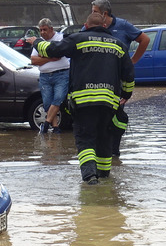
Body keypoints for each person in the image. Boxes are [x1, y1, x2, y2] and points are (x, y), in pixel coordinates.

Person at [34, 11, 135, 185]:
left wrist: (36, 42)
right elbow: (129, 75)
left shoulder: (78, 39)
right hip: (109, 103)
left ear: (86, 25)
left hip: (83, 102)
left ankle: (90, 177)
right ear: (105, 26)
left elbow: (52, 49)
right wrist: (125, 95)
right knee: (104, 138)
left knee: (85, 138)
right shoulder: (119, 45)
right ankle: (104, 177)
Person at [90, 0, 150, 157]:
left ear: (105, 13)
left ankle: (114, 152)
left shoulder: (123, 26)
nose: (92, 14)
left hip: (118, 80)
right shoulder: (90, 26)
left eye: (95, 11)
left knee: (116, 116)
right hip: (98, 80)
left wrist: (133, 61)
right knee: (98, 117)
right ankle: (101, 151)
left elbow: (145, 39)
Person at [25, 18, 70, 133]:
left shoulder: (60, 38)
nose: (42, 32)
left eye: (45, 30)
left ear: (51, 29)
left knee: (58, 98)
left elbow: (58, 55)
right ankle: (55, 127)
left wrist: (43, 56)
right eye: (40, 30)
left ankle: (46, 124)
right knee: (47, 102)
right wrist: (50, 57)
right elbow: (33, 60)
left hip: (61, 74)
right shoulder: (39, 41)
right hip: (45, 76)